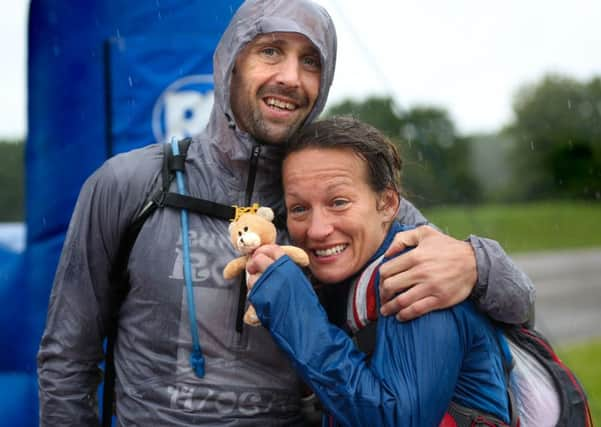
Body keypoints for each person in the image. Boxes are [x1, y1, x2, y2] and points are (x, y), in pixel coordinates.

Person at [37, 0, 534, 425]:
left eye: (311, 62)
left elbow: (517, 306)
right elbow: (67, 356)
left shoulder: (342, 204)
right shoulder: (129, 184)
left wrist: (478, 263)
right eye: (270, 51)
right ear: (231, 61)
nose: (290, 78)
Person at [247, 116, 517, 426]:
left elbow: (396, 420)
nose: (318, 230)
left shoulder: (421, 278)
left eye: (338, 202)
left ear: (387, 204)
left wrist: (291, 308)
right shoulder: (345, 282)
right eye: (299, 208)